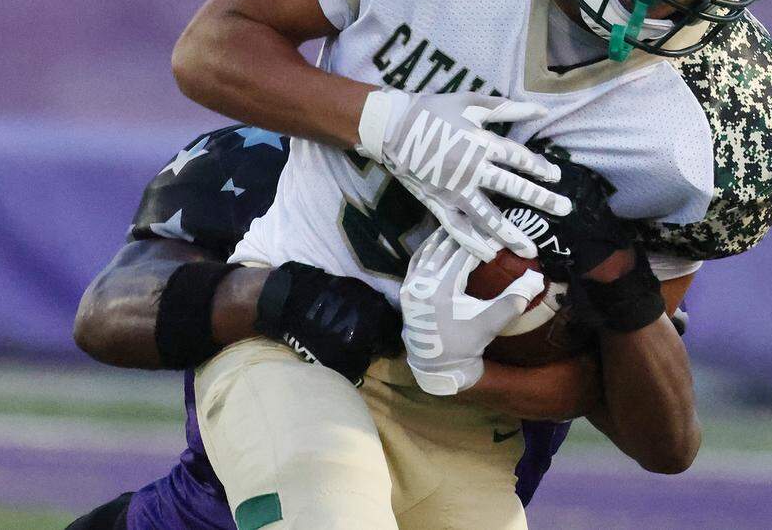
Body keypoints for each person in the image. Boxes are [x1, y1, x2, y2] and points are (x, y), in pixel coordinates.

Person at [91, 0, 772, 529]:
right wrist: (393, 124)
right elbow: (209, 50)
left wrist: (571, 301)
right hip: (290, 353)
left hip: (469, 430)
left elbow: (647, 425)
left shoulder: (714, 130)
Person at [67, 125, 603, 530]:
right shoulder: (276, 157)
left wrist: (626, 296)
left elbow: (665, 440)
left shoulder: (594, 199)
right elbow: (107, 312)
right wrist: (281, 296)